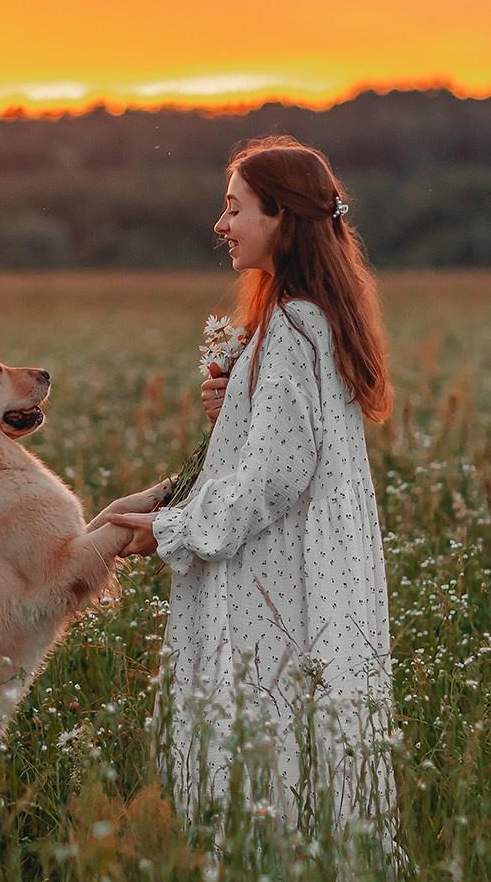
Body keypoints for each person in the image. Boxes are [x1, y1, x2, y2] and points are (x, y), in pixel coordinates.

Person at [96, 135, 394, 835]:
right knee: (305, 735)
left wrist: (172, 529)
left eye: (235, 209)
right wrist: (235, 407)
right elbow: (284, 445)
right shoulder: (316, 317)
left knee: (268, 732)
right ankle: (317, 870)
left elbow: (273, 475)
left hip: (277, 574)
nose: (221, 225)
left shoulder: (291, 324)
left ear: (280, 216)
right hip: (317, 564)